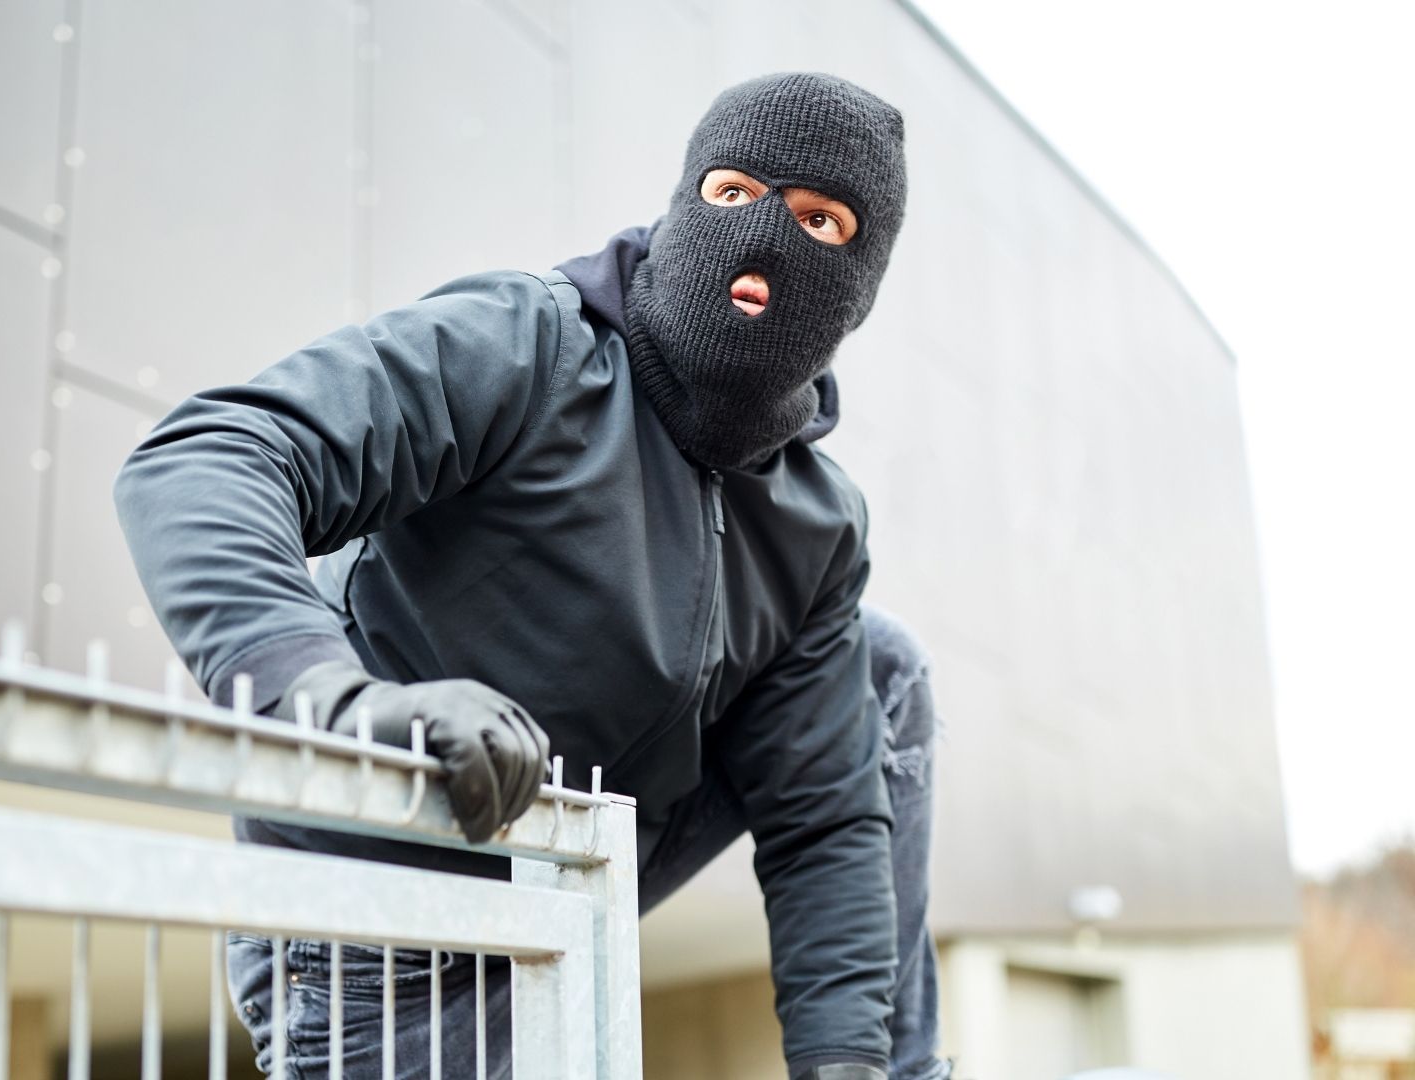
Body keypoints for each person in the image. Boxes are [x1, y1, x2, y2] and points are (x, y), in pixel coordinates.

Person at [115, 72, 952, 1080]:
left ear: (859, 282)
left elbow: (824, 821)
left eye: (819, 220)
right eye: (734, 194)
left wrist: (844, 1061)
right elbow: (211, 455)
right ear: (685, 202)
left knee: (879, 668)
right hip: (381, 921)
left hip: (567, 881)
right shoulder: (529, 345)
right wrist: (332, 700)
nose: (764, 238)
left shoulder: (815, 520)